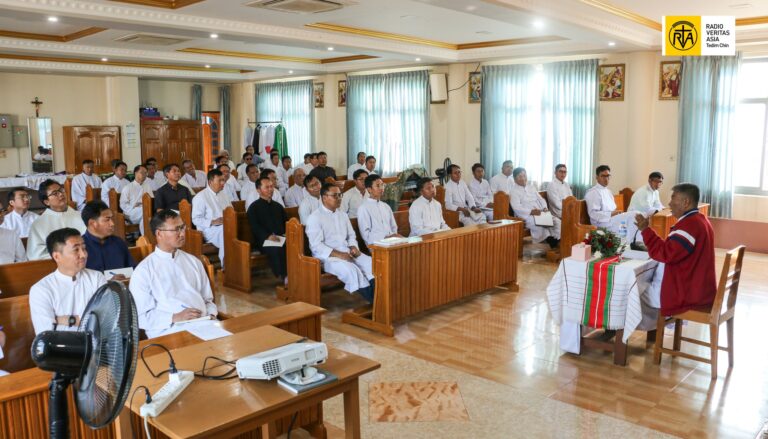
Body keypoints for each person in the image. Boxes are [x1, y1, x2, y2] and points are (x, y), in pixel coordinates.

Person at [129, 210, 217, 338]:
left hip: (204, 323)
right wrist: (175, 317)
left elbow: (208, 299)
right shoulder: (143, 271)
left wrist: (211, 314)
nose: (182, 234)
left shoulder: (194, 262)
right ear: (159, 233)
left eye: (182, 227)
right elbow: (141, 316)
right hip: (168, 330)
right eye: (176, 229)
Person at [635, 183, 716, 315]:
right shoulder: (700, 219)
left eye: (673, 198)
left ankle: (625, 329)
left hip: (687, 293)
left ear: (686, 202)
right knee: (641, 284)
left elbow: (665, 254)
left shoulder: (689, 225)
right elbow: (672, 249)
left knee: (633, 289)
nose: (669, 203)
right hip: (697, 287)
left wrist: (645, 230)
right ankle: (657, 326)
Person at [29, 228, 107, 334]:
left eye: (84, 248)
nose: (83, 255)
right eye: (76, 250)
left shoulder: (97, 277)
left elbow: (106, 318)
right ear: (57, 256)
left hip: (97, 341)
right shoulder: (41, 289)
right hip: (61, 344)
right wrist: (88, 320)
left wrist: (66, 320)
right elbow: (45, 333)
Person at [306, 183, 375, 303]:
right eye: (335, 195)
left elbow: (351, 235)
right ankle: (375, 301)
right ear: (324, 197)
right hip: (327, 258)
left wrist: (353, 247)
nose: (339, 198)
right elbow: (316, 246)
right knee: (351, 270)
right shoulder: (315, 218)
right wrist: (340, 255)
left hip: (348, 252)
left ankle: (381, 297)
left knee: (371, 263)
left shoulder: (343, 215)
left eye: (340, 195)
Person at [27, 180, 87, 260]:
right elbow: (36, 255)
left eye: (61, 190)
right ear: (47, 202)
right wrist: (65, 257)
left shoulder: (80, 216)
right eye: (55, 193)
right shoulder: (39, 224)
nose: (61, 194)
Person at [584, 165, 641, 242]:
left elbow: (613, 209)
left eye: (608, 176)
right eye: (603, 176)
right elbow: (593, 214)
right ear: (597, 177)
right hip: (602, 223)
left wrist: (617, 213)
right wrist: (611, 213)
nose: (606, 179)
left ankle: (634, 242)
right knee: (634, 215)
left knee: (638, 214)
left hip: (611, 220)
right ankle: (630, 243)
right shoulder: (593, 192)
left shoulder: (608, 191)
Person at [247, 176, 287, 282]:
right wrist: (268, 236)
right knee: (277, 248)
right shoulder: (253, 208)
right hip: (264, 241)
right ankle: (285, 276)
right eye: (267, 187)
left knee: (295, 244)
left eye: (271, 186)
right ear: (258, 190)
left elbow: (286, 222)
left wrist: (287, 233)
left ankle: (299, 274)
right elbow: (255, 227)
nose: (270, 189)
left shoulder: (278, 206)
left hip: (280, 238)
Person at [81, 201, 135, 278]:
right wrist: (108, 282)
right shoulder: (80, 247)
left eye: (111, 219)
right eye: (107, 220)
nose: (112, 224)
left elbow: (133, 270)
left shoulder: (119, 243)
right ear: (92, 223)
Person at [510, 167, 560, 249]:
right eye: (520, 176)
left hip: (540, 212)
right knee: (540, 225)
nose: (523, 178)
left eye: (524, 175)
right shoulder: (513, 191)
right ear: (515, 179)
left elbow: (541, 199)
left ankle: (557, 240)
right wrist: (531, 211)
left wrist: (544, 207)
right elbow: (516, 207)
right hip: (527, 216)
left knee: (556, 221)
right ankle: (552, 243)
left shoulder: (531, 187)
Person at [192, 169, 231, 264]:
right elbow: (195, 219)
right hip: (208, 229)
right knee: (224, 231)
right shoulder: (200, 197)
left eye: (223, 180)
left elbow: (231, 210)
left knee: (232, 229)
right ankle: (226, 264)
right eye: (220, 180)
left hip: (226, 225)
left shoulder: (224, 194)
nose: (223, 183)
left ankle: (236, 261)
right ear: (210, 182)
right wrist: (213, 222)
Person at [356, 174, 401, 246]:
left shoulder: (386, 206)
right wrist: (386, 238)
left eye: (382, 185)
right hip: (376, 245)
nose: (381, 188)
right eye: (378, 186)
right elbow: (366, 235)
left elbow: (393, 227)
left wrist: (393, 238)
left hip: (392, 242)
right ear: (369, 189)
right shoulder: (363, 208)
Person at [120, 164, 154, 234]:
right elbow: (123, 204)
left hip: (145, 211)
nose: (144, 175)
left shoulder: (147, 186)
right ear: (135, 173)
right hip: (131, 212)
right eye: (142, 172)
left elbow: (152, 199)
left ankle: (146, 237)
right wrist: (134, 206)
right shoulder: (128, 187)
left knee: (145, 217)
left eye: (145, 173)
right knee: (146, 212)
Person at [546, 164, 573, 239]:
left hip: (567, 210)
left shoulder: (566, 184)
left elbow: (571, 199)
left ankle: (574, 239)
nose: (563, 174)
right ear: (555, 172)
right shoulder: (552, 185)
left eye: (565, 172)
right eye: (560, 171)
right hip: (557, 213)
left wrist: (572, 207)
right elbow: (556, 204)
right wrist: (570, 209)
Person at [0, 200, 26, 264]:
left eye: (2, 210)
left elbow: (22, 260)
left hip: (11, 269)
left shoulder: (12, 235)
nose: (1, 215)